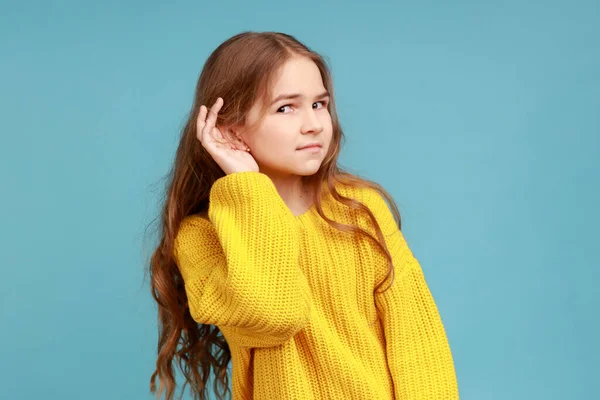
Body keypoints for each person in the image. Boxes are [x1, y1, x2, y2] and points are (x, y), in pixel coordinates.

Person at [148, 31, 459, 400]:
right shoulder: (202, 237)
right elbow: (274, 314)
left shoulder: (360, 209)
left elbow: (419, 344)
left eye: (319, 104)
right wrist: (249, 187)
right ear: (230, 130)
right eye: (286, 108)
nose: (313, 123)